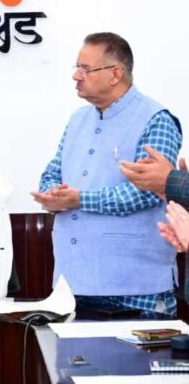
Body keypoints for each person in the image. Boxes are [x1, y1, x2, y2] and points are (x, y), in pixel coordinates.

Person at [32, 32, 182, 315]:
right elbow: (52, 172)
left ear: (115, 74)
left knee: (139, 347)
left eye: (85, 69)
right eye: (76, 67)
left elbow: (149, 191)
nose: (76, 76)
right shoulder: (77, 119)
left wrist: (78, 199)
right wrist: (52, 194)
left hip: (135, 286)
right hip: (72, 282)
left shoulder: (156, 119)